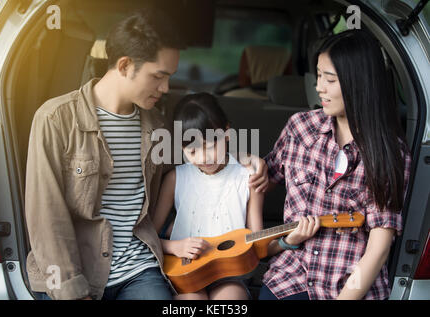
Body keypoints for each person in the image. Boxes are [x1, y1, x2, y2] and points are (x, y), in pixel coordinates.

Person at [26, 9, 268, 300]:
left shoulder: (156, 127)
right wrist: (71, 291)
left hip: (139, 270)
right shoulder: (56, 119)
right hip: (77, 272)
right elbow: (46, 216)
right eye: (158, 77)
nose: (165, 89)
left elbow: (201, 160)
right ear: (126, 65)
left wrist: (245, 158)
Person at [259, 29, 412, 300]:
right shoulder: (300, 128)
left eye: (330, 79)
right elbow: (260, 181)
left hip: (349, 287)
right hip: (290, 279)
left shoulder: (390, 154)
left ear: (359, 83)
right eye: (318, 75)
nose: (319, 87)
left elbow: (378, 249)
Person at [153, 93, 264, 300]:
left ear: (227, 134)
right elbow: (148, 236)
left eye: (211, 146)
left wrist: (288, 241)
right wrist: (173, 246)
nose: (204, 158)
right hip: (185, 268)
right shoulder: (175, 178)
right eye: (193, 151)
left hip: (231, 273)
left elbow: (258, 241)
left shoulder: (248, 177)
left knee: (230, 299)